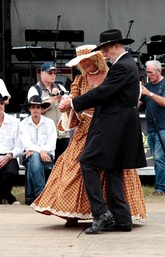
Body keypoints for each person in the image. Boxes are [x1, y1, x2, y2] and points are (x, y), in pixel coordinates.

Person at [31, 44, 147, 226]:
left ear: (97, 59)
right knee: (75, 167)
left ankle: (112, 215)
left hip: (109, 127)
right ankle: (75, 212)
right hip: (86, 128)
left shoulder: (114, 72)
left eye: (87, 61)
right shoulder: (80, 80)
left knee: (108, 169)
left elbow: (103, 95)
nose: (85, 65)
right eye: (81, 63)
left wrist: (74, 103)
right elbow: (74, 98)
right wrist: (68, 103)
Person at [59, 30, 147, 234]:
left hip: (113, 125)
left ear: (117, 46)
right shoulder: (126, 65)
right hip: (118, 124)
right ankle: (123, 219)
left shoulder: (122, 67)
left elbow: (102, 92)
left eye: (106, 49)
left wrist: (73, 102)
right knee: (112, 169)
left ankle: (101, 213)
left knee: (87, 162)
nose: (104, 54)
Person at [140, 60, 165, 196]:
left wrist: (149, 94)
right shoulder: (148, 85)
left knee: (160, 157)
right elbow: (139, 103)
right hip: (151, 128)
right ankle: (159, 186)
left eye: (151, 72)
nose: (148, 75)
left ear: (158, 71)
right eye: (147, 72)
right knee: (156, 158)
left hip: (164, 127)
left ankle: (161, 188)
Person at [27, 61, 69, 161]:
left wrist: (61, 100)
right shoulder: (35, 90)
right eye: (50, 73)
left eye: (55, 73)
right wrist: (53, 98)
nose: (53, 75)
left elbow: (69, 107)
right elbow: (35, 111)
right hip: (46, 137)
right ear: (42, 74)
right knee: (47, 167)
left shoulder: (61, 87)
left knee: (63, 165)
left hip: (62, 134)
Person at [19, 95, 56, 205]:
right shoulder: (23, 123)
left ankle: (31, 196)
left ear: (42, 109)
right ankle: (41, 194)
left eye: (38, 107)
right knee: (34, 157)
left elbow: (52, 145)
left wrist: (38, 151)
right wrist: (40, 151)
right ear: (29, 109)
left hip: (48, 156)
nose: (35, 110)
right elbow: (26, 143)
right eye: (33, 107)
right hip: (30, 156)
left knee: (33, 159)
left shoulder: (49, 123)